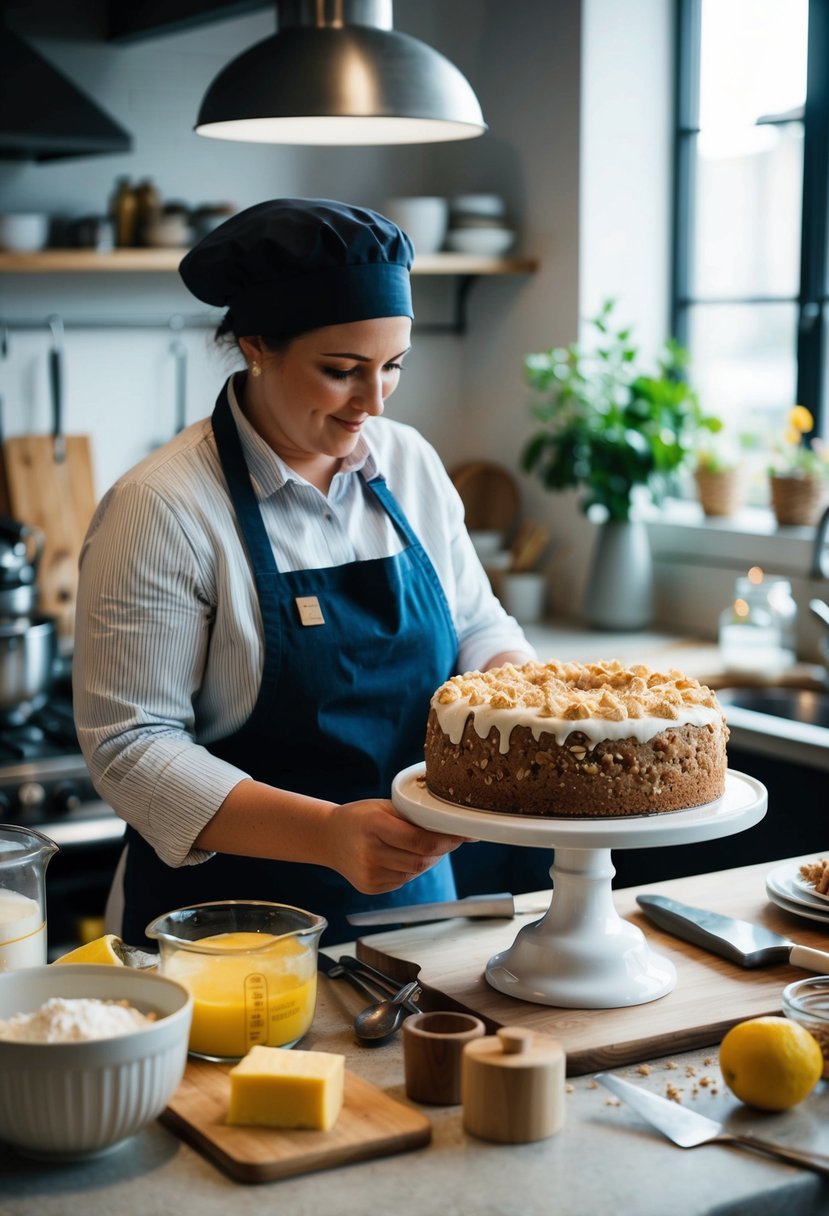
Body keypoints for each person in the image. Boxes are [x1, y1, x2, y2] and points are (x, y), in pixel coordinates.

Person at [73, 198, 536, 947]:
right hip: (225, 926)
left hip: (416, 903)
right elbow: (132, 747)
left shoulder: (408, 462)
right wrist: (327, 835)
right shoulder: (160, 506)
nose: (374, 400)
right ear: (257, 345)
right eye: (341, 371)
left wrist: (520, 694)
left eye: (392, 367)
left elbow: (475, 623)